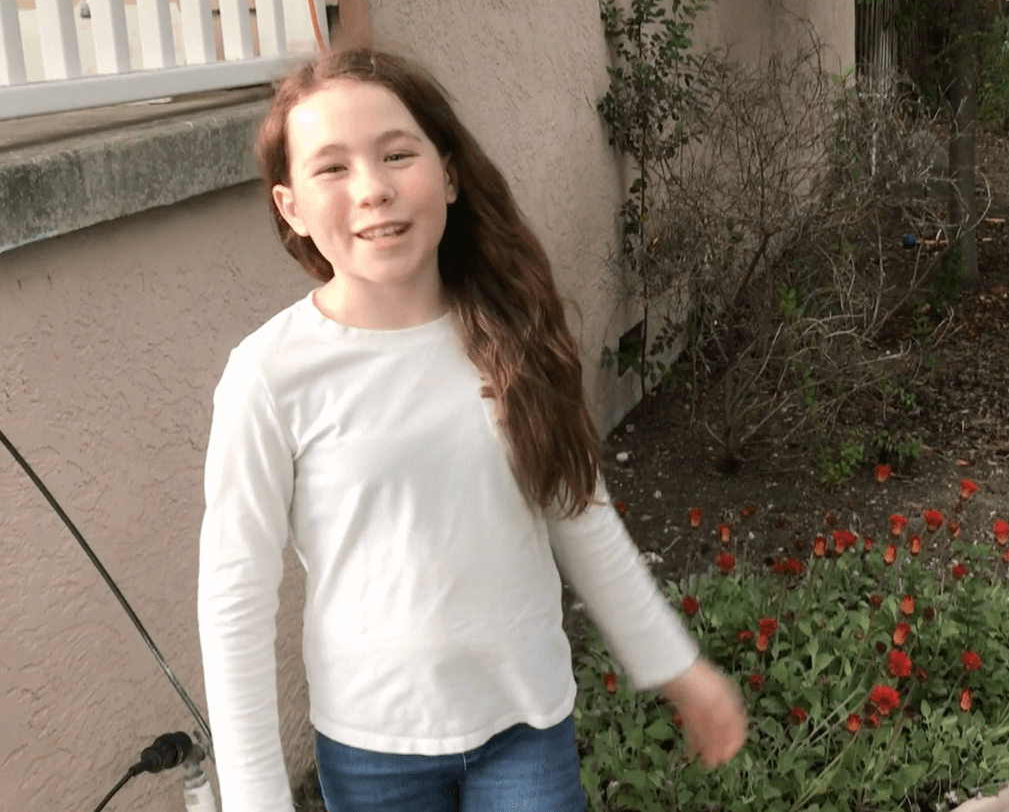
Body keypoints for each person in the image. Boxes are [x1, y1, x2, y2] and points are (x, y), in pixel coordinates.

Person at [196, 48, 747, 812]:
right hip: (372, 749)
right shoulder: (268, 376)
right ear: (289, 207)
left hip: (524, 728)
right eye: (332, 168)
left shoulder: (510, 329)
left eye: (397, 153)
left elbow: (577, 510)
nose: (374, 189)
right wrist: (255, 799)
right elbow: (235, 598)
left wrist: (676, 665)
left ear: (448, 174)